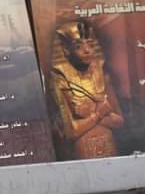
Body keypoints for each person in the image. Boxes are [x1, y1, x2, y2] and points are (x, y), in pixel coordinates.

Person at [50, 20, 124, 159]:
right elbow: (69, 132)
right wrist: (100, 113)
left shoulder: (102, 73)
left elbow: (119, 121)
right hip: (81, 153)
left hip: (109, 148)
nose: (87, 50)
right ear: (66, 50)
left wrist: (89, 115)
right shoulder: (59, 79)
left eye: (90, 44)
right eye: (78, 46)